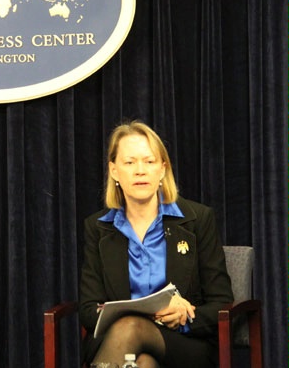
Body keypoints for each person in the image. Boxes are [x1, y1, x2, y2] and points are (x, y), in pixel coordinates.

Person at [79, 121, 233, 368]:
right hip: (118, 340)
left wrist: (185, 315)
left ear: (162, 169)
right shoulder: (98, 227)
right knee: (143, 362)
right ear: (114, 171)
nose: (140, 170)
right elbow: (88, 310)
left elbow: (222, 303)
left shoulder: (197, 219)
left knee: (131, 329)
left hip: (184, 343)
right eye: (129, 162)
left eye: (149, 162)